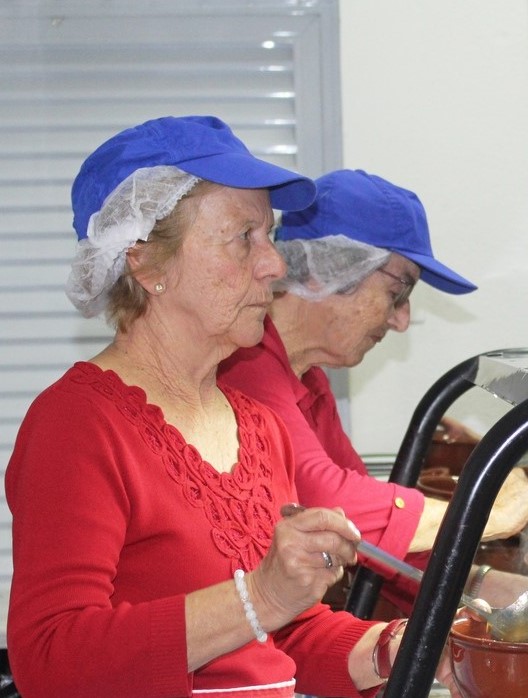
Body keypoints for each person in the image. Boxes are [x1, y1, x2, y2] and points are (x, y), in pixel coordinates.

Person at [6, 115, 460, 696]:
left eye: (269, 236)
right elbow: (50, 660)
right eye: (245, 237)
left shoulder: (257, 425)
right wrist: (261, 596)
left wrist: (399, 647)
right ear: (145, 262)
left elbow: (285, 639)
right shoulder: (78, 424)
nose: (274, 266)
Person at [218, 169, 528, 615]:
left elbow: (375, 539)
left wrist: (514, 595)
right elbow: (329, 502)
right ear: (325, 272)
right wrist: (484, 512)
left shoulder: (307, 379)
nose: (401, 320)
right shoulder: (245, 367)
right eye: (397, 292)